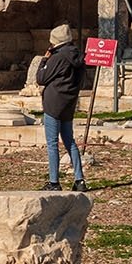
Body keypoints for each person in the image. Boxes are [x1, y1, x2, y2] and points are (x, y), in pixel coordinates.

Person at [28, 23, 87, 191]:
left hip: (53, 103)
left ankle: (54, 182)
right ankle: (79, 180)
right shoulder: (79, 56)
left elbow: (41, 78)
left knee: (52, 143)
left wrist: (44, 59)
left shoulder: (58, 57)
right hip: (69, 103)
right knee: (70, 141)